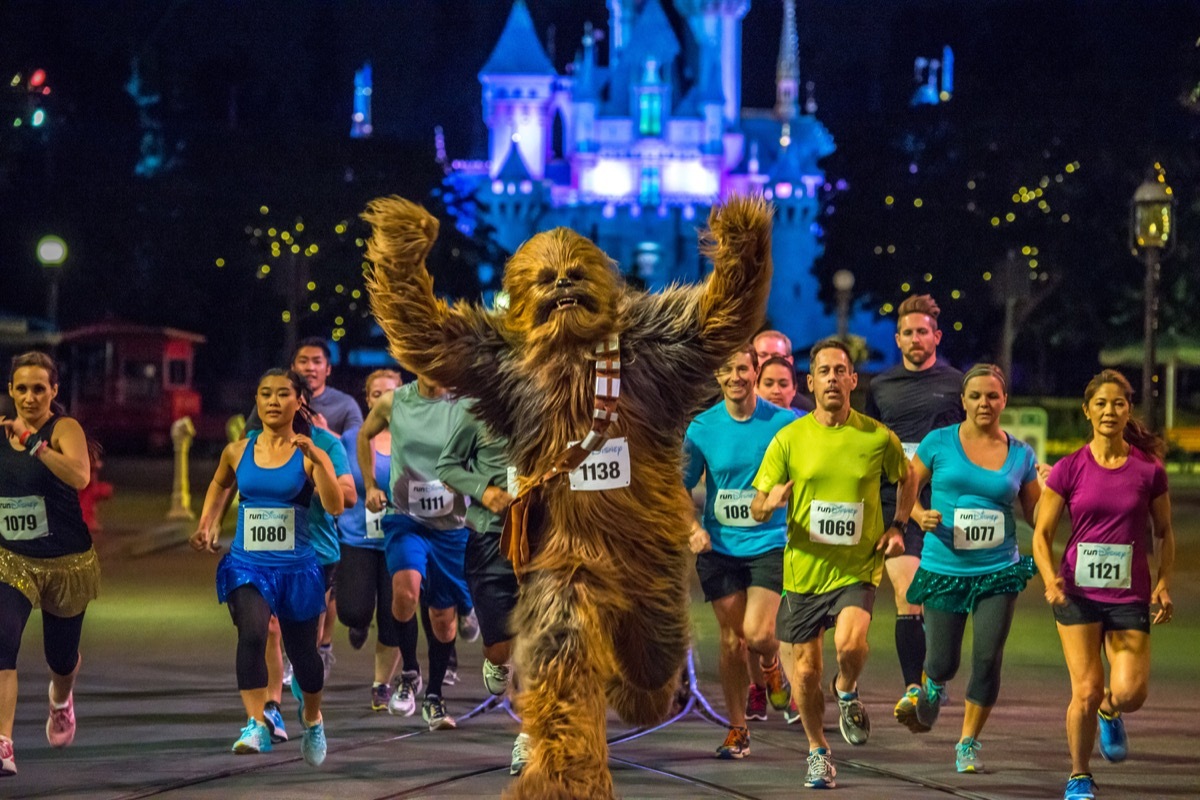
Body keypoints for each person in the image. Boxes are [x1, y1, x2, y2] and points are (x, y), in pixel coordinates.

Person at [751, 338, 915, 790]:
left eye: (840, 371)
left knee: (849, 643)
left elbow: (909, 476)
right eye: (823, 371)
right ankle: (817, 750)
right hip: (803, 571)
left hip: (856, 567)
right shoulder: (790, 437)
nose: (832, 379)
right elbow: (757, 505)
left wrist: (898, 525)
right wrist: (771, 503)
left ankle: (846, 689)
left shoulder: (877, 436)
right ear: (812, 381)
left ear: (852, 380)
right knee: (804, 672)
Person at [1032, 369, 1175, 800]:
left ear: (1128, 409)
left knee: (1129, 692)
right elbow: (1041, 535)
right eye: (1100, 403)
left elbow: (1164, 532)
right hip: (1076, 592)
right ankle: (1079, 775)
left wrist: (1164, 582)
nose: (1109, 411)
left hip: (1129, 594)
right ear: (1087, 411)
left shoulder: (1148, 470)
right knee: (1087, 689)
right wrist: (1049, 579)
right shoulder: (1068, 468)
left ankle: (1112, 712)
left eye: (1118, 403)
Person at [190, 369, 344, 767]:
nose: (272, 401)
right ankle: (256, 722)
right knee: (253, 633)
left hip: (296, 568)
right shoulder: (237, 450)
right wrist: (207, 522)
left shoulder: (311, 452)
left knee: (304, 657)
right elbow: (221, 483)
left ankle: (312, 718)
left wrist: (318, 462)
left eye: (282, 394)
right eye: (265, 394)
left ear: (299, 402)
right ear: (256, 402)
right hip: (248, 564)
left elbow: (335, 505)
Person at [899, 364, 1041, 773]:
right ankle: (931, 685)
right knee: (943, 661)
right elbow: (907, 484)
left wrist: (1066, 495)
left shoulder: (1021, 454)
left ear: (1004, 401)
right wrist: (919, 513)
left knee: (987, 658)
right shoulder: (938, 442)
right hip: (945, 567)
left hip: (998, 570)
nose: (984, 403)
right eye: (975, 396)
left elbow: (1037, 513)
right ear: (962, 401)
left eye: (992, 396)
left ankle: (967, 742)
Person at [683, 346, 799, 759]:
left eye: (742, 369)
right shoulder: (701, 428)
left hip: (768, 544)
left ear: (756, 372)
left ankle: (770, 665)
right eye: (726, 369)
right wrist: (692, 527)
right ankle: (737, 730)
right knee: (732, 642)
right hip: (719, 548)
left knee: (759, 633)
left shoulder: (785, 423)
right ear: (717, 375)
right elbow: (677, 489)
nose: (735, 376)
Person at [863, 294, 965, 726]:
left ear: (936, 336)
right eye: (908, 332)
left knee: (940, 601)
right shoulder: (880, 387)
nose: (916, 338)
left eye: (923, 331)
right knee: (908, 594)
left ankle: (935, 680)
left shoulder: (959, 383)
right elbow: (870, 449)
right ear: (898, 339)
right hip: (895, 509)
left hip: (946, 509)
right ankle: (914, 689)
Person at [0, 352, 101, 777]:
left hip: (65, 562)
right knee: (2, 645)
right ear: (10, 390)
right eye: (21, 388)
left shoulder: (63, 429)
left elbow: (80, 476)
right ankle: (3, 743)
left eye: (39, 388)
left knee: (60, 657)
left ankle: (61, 699)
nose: (29, 396)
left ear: (54, 391)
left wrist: (34, 445)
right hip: (11, 560)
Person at [359, 372, 472, 731]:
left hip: (451, 526)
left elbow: (488, 450)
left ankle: (435, 696)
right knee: (405, 592)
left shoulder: (464, 404)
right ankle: (409, 671)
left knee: (442, 617)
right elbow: (364, 436)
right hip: (404, 518)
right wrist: (372, 486)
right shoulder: (395, 401)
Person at [435, 399, 529, 774]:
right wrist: (483, 489)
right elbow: (446, 466)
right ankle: (495, 659)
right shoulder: (476, 409)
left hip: (544, 537)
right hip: (491, 539)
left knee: (534, 645)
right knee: (501, 645)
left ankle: (528, 738)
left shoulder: (557, 400)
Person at [337, 369, 405, 711]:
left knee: (395, 616)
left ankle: (382, 684)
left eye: (390, 393)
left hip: (400, 538)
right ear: (367, 400)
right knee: (353, 609)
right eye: (376, 394)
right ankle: (360, 624)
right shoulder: (351, 439)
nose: (384, 400)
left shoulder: (413, 438)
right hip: (357, 537)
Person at [754, 329, 815, 412]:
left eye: (776, 356)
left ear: (790, 361)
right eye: (763, 355)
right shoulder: (738, 400)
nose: (768, 360)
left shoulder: (804, 408)